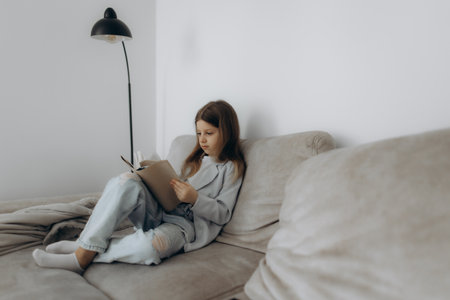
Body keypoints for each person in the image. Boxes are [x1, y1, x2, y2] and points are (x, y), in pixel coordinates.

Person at [32, 100, 245, 273]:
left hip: (184, 228)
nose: (202, 140)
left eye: (209, 133)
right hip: (162, 210)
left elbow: (223, 214)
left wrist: (195, 198)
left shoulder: (232, 168)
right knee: (126, 180)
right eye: (199, 133)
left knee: (149, 248)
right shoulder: (194, 161)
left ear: (226, 131)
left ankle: (83, 253)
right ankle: (85, 243)